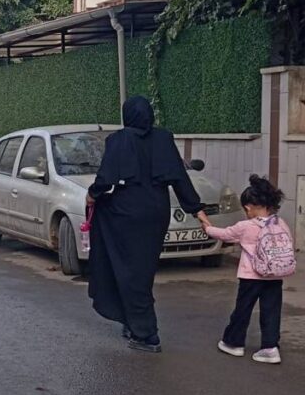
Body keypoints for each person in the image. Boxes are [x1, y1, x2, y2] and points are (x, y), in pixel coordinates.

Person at [87, 95, 202, 353]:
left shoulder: (119, 139)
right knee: (143, 272)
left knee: (127, 271)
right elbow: (179, 178)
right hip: (157, 213)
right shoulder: (164, 138)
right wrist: (197, 210)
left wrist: (92, 195)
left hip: (126, 214)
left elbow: (105, 179)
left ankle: (146, 334)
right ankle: (132, 321)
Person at [197, 175, 295, 365]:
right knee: (271, 311)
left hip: (251, 276)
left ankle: (233, 343)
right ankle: (270, 348)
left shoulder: (246, 226)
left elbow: (225, 235)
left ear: (249, 207)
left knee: (243, 309)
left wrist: (207, 228)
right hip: (275, 275)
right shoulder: (280, 223)